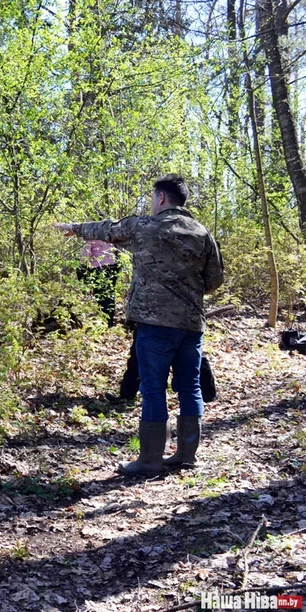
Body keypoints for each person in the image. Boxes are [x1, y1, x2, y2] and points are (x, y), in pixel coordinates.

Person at [54, 174, 224, 474]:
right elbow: (214, 281)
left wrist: (75, 228)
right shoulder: (202, 233)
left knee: (154, 389)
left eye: (152, 197)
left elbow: (109, 229)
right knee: (190, 387)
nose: (151, 203)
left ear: (161, 198)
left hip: (155, 323)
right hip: (191, 324)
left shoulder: (146, 227)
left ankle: (149, 460)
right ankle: (187, 455)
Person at [77, 240, 119, 326]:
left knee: (101, 295)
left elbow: (86, 254)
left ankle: (106, 321)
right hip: (113, 266)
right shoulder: (109, 231)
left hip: (98, 267)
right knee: (110, 293)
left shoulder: (91, 236)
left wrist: (82, 267)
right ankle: (110, 320)